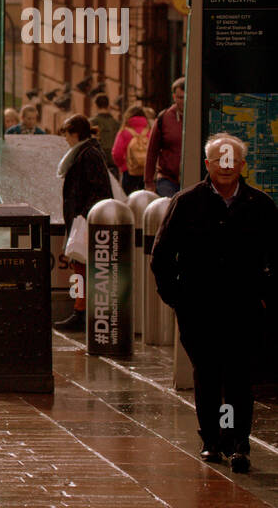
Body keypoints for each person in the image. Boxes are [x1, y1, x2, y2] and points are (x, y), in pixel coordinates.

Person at [151, 134, 278, 473]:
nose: (225, 166)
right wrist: (176, 297)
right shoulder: (186, 202)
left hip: (244, 308)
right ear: (207, 164)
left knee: (238, 376)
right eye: (218, 160)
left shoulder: (260, 206)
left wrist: (267, 296)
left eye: (232, 160)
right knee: (207, 374)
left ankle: (237, 441)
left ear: (241, 165)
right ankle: (212, 439)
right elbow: (162, 255)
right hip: (199, 308)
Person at [54, 114, 113, 332]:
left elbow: (99, 189)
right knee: (77, 266)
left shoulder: (89, 155)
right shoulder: (84, 152)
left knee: (80, 267)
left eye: (66, 135)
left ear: (76, 133)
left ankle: (80, 311)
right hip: (79, 219)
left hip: (83, 220)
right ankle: (79, 309)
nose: (66, 140)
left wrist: (84, 215)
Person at [145, 77, 185, 196]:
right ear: (174, 97)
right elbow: (152, 151)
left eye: (186, 97)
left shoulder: (199, 116)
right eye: (180, 97)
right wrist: (148, 182)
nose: (183, 101)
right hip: (168, 179)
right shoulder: (165, 117)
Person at [112, 104, 152, 196]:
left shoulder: (124, 132)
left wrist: (123, 166)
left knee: (130, 202)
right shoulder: (149, 131)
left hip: (129, 172)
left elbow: (117, 153)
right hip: (146, 173)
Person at [89, 93, 119, 173]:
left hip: (97, 160)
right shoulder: (116, 123)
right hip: (113, 161)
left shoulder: (92, 123)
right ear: (108, 105)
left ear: (96, 105)